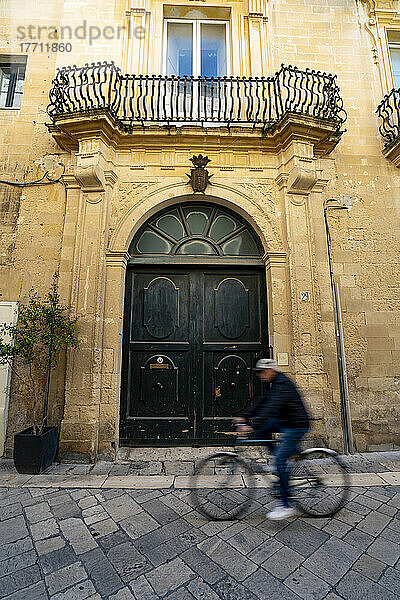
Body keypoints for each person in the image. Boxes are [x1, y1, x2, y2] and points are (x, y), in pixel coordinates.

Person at [233, 358, 310, 520]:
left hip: (296, 425)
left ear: (271, 370)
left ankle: (285, 505)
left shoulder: (282, 384)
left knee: (281, 461)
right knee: (263, 430)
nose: (260, 375)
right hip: (285, 422)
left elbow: (272, 407)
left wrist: (252, 426)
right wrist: (244, 417)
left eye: (262, 371)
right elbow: (263, 403)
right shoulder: (274, 384)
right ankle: (282, 457)